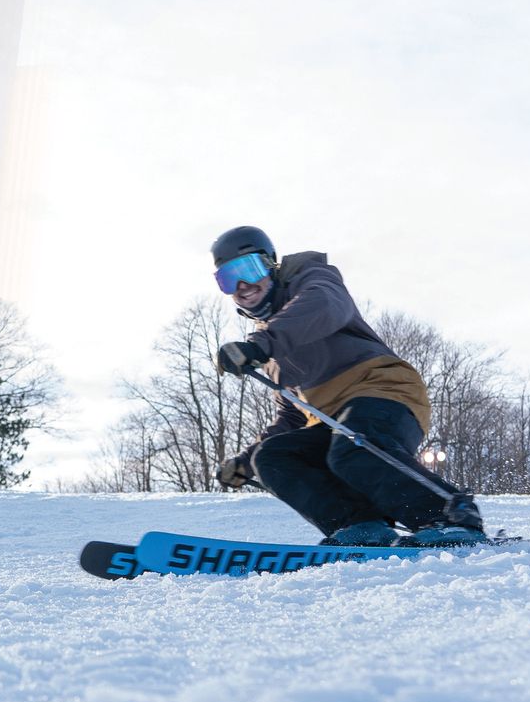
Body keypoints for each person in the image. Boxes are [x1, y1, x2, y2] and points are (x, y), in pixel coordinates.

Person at [209, 225, 487, 547]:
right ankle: (361, 524)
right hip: (330, 420)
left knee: (351, 445)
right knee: (273, 457)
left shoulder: (312, 280)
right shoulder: (270, 344)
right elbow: (292, 417)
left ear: (271, 265)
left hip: (384, 390)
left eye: (248, 269)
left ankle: (449, 515)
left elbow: (325, 305)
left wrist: (262, 344)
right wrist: (246, 461)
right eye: (228, 280)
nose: (242, 286)